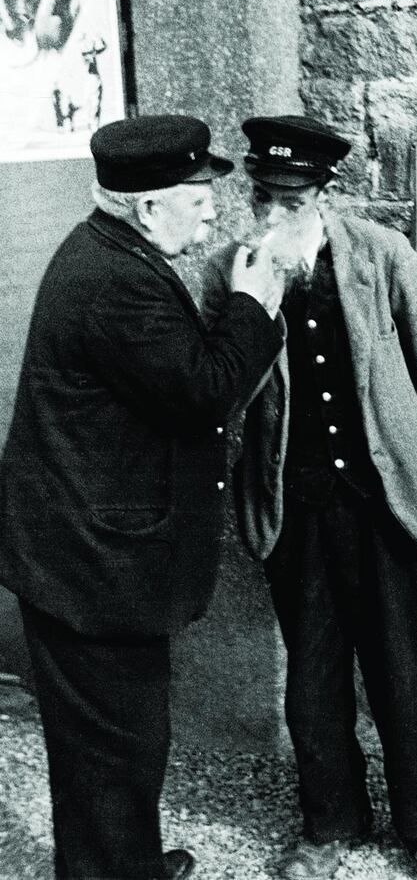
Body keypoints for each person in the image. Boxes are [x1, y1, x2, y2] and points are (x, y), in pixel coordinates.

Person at [0, 114, 285, 880]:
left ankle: (122, 862)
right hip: (89, 566)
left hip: (90, 555)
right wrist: (253, 301)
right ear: (149, 207)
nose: (213, 209)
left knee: (124, 739)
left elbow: (181, 369)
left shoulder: (114, 252)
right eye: (199, 195)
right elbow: (202, 391)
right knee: (109, 746)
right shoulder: (115, 282)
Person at [203, 115, 417, 880]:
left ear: (324, 196)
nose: (271, 215)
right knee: (314, 678)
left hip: (387, 502)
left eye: (289, 201)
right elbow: (223, 392)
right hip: (298, 513)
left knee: (405, 672)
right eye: (262, 198)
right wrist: (254, 299)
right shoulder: (234, 270)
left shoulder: (381, 255)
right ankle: (329, 823)